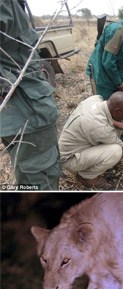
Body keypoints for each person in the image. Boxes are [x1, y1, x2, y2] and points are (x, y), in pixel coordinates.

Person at [0, 0, 61, 190]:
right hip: (27, 113)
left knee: (30, 179)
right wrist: (7, 82)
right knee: (41, 182)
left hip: (26, 111)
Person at [86, 1, 123, 100]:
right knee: (106, 107)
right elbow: (108, 63)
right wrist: (119, 84)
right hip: (103, 77)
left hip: (115, 77)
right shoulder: (117, 31)